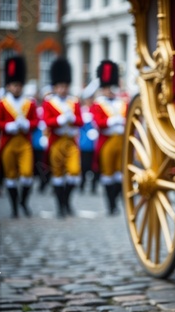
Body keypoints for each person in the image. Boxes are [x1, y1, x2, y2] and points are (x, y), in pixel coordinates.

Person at [0, 56, 39, 217]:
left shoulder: (30, 103)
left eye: (19, 85)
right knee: (11, 176)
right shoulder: (2, 103)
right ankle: (14, 207)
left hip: (24, 142)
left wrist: (27, 124)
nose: (17, 88)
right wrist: (8, 126)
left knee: (27, 174)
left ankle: (23, 201)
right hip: (8, 143)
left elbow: (35, 121)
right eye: (14, 85)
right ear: (8, 86)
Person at [43, 58, 83, 217]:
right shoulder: (49, 102)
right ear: (55, 87)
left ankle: (66, 200)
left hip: (70, 142)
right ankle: (60, 205)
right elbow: (46, 121)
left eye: (65, 86)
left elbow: (80, 121)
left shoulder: (74, 102)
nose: (62, 89)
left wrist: (72, 119)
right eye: (59, 86)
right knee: (58, 174)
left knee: (74, 172)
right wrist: (59, 120)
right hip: (56, 141)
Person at [91, 60, 126, 215]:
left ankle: (115, 201)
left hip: (121, 141)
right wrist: (110, 121)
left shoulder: (122, 102)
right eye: (106, 88)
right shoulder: (98, 104)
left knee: (120, 175)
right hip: (106, 141)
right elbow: (97, 123)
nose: (109, 90)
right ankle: (110, 204)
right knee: (107, 174)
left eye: (110, 87)